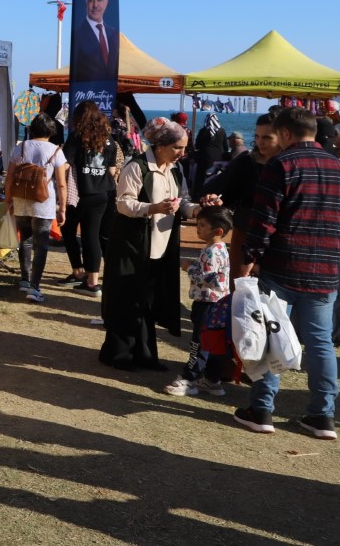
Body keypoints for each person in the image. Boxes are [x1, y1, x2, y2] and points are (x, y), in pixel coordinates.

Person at [234, 107, 340, 438]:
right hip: (325, 269)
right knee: (321, 342)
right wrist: (335, 246)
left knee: (271, 336)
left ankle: (262, 410)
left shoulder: (282, 165)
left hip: (283, 265)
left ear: (287, 134)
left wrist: (249, 258)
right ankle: (323, 416)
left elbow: (263, 220)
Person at [99, 117, 201, 372]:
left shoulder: (174, 170)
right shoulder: (137, 166)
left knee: (146, 301)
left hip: (161, 246)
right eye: (178, 147)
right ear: (161, 145)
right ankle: (119, 354)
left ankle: (145, 355)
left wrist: (199, 209)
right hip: (133, 244)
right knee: (126, 299)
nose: (182, 153)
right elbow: (123, 203)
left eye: (184, 147)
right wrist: (153, 208)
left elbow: (183, 202)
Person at [164, 205, 233, 397]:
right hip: (217, 303)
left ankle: (189, 379)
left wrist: (188, 268)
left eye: (202, 225)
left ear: (217, 231)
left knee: (199, 343)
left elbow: (207, 277)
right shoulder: (220, 249)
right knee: (213, 344)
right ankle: (212, 380)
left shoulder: (212, 251)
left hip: (208, 303)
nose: (198, 228)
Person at [201, 114, 281, 274]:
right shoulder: (247, 160)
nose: (260, 142)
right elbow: (228, 191)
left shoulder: (288, 164)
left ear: (282, 136)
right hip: (245, 227)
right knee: (239, 286)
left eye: (267, 137)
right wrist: (217, 199)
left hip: (277, 235)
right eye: (257, 136)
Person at [4, 113, 68, 304]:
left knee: (25, 239)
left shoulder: (21, 147)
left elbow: (9, 177)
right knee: (41, 246)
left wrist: (8, 200)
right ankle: (34, 286)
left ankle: (24, 279)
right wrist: (62, 208)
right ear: (51, 131)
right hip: (43, 203)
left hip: (21, 200)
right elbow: (62, 184)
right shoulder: (56, 151)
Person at [61, 100, 119, 295]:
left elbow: (65, 164)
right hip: (104, 192)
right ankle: (92, 280)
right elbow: (111, 170)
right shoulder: (108, 138)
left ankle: (79, 272)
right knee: (91, 235)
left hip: (81, 192)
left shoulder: (77, 136)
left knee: (68, 228)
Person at [70, 0, 118, 81]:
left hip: (108, 94)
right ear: (86, 4)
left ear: (106, 3)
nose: (95, 5)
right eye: (91, 0)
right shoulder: (77, 35)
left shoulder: (113, 34)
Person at [192, 113, 229, 196]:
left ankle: (200, 195)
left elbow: (197, 145)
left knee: (201, 178)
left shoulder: (203, 131)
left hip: (204, 158)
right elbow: (226, 146)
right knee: (216, 178)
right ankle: (214, 195)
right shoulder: (222, 131)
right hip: (218, 158)